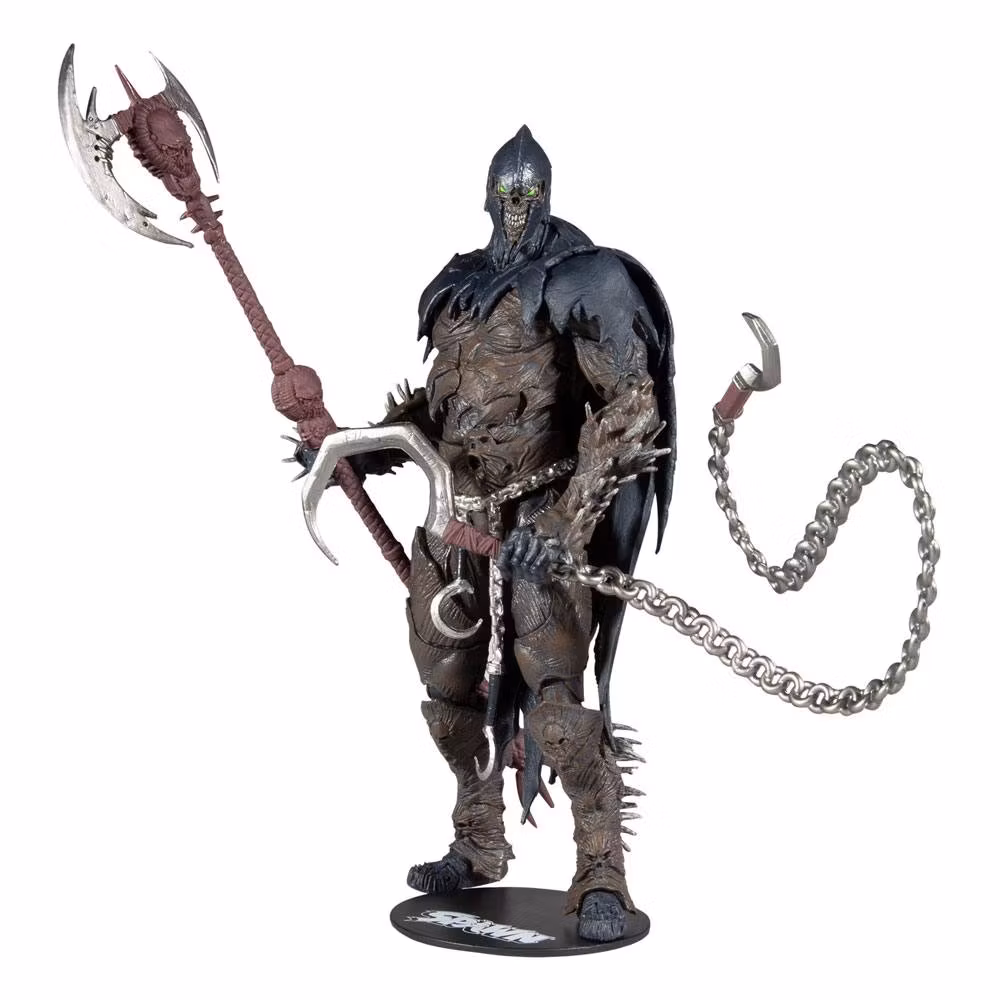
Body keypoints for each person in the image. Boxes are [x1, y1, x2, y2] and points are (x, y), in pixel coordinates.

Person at [316, 127, 674, 941]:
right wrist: (353, 452)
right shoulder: (458, 288)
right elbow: (440, 411)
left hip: (540, 523)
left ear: (545, 196)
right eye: (506, 194)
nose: (517, 207)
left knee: (557, 712)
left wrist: (568, 521)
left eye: (529, 194)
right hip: (454, 519)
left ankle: (600, 871)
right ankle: (478, 841)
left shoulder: (585, 280)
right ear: (487, 196)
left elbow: (629, 410)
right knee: (448, 701)